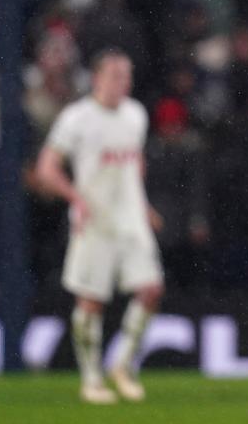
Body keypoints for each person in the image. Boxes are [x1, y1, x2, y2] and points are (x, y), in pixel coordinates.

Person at [35, 50, 164, 404]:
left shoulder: (135, 115)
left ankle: (121, 365)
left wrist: (144, 204)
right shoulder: (77, 119)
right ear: (97, 78)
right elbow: (47, 168)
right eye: (117, 75)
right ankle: (91, 378)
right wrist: (75, 198)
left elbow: (134, 163)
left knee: (151, 289)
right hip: (95, 221)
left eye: (127, 75)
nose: (124, 82)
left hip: (131, 219)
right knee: (91, 301)